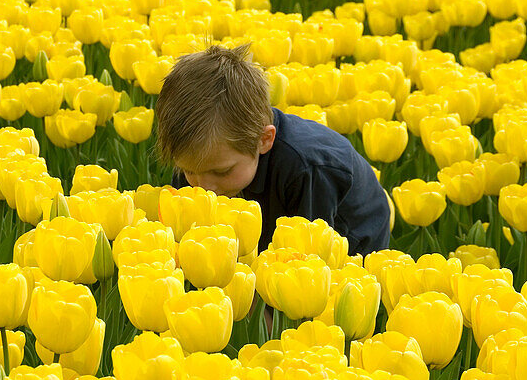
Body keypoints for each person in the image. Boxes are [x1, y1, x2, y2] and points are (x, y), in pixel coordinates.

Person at [155, 43, 391, 256]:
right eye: (189, 171)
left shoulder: (306, 168)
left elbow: (307, 261)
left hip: (349, 241)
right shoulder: (200, 158)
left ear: (264, 139)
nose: (205, 188)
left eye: (222, 172)